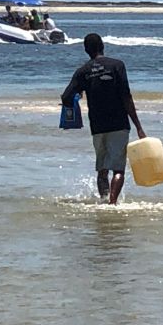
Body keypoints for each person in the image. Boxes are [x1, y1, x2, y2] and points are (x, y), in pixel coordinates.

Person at [61, 33, 146, 204]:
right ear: (102, 46)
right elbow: (126, 97)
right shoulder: (117, 65)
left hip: (97, 126)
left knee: (102, 169)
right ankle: (112, 204)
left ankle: (104, 200)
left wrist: (79, 97)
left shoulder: (83, 71)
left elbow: (66, 97)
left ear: (86, 50)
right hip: (119, 125)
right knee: (118, 169)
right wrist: (138, 126)